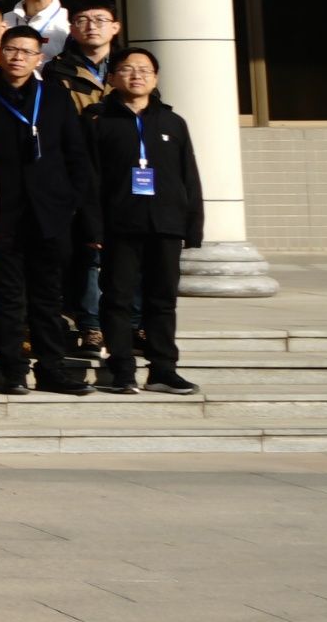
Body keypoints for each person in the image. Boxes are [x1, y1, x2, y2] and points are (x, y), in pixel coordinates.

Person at [0, 28, 98, 396]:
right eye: (11, 49)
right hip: (1, 213)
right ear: (0, 52)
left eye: (27, 52)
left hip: (50, 215)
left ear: (39, 58)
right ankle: (11, 370)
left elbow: (76, 156)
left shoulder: (55, 97)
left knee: (48, 297)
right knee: (7, 297)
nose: (18, 57)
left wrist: (72, 204)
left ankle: (52, 368)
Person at [88, 47, 202, 396]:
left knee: (162, 300)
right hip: (119, 224)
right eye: (127, 69)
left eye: (144, 70)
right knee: (118, 298)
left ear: (155, 78)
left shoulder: (172, 122)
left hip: (165, 224)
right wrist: (93, 227)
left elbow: (189, 176)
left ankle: (163, 369)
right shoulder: (97, 120)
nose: (136, 75)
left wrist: (193, 225)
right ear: (112, 77)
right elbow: (89, 179)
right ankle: (121, 369)